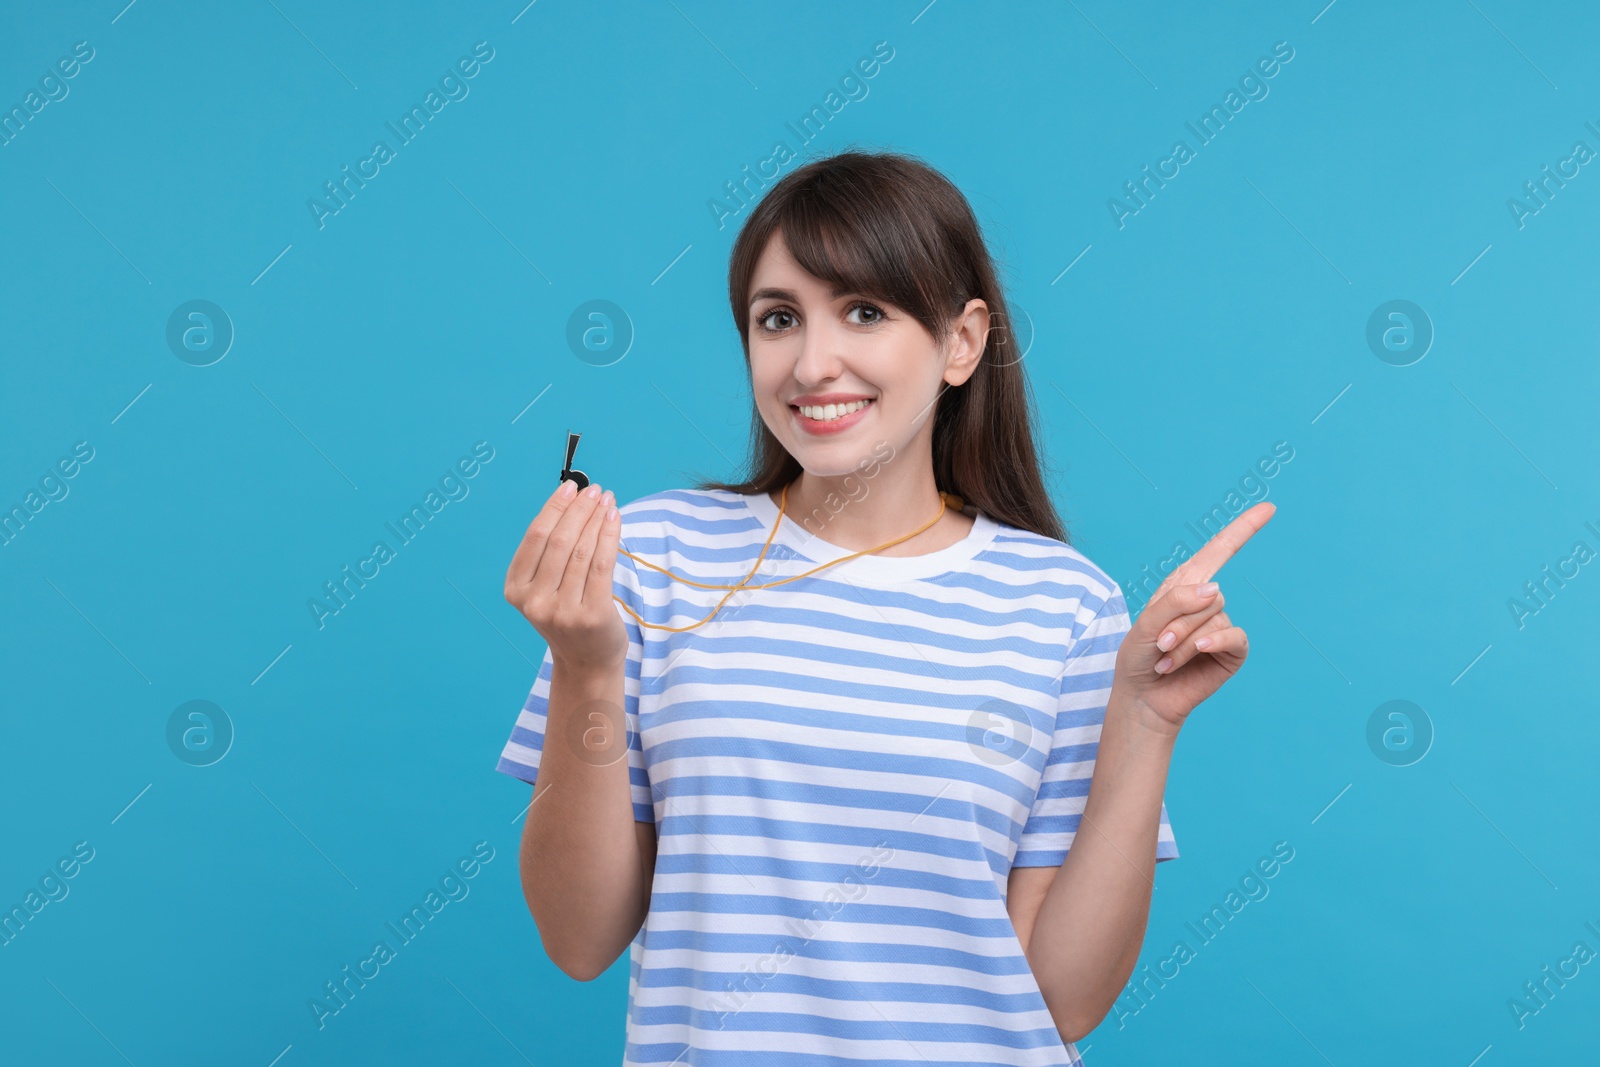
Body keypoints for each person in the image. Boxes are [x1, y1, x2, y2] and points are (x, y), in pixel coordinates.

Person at [496, 149, 1273, 1065]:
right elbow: (579, 939)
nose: (813, 363)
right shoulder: (651, 561)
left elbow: (1061, 1000)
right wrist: (589, 668)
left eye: (864, 312)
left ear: (962, 341)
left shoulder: (1062, 606)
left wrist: (1143, 719)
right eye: (778, 318)